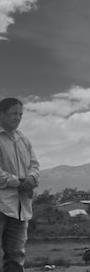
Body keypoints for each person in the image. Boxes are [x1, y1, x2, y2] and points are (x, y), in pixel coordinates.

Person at [0, 98, 40, 272]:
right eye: (13, 114)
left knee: (16, 257)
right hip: (1, 204)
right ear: (1, 114)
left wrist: (31, 178)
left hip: (20, 208)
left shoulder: (23, 139)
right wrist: (18, 182)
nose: (18, 118)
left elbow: (35, 164)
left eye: (20, 114)